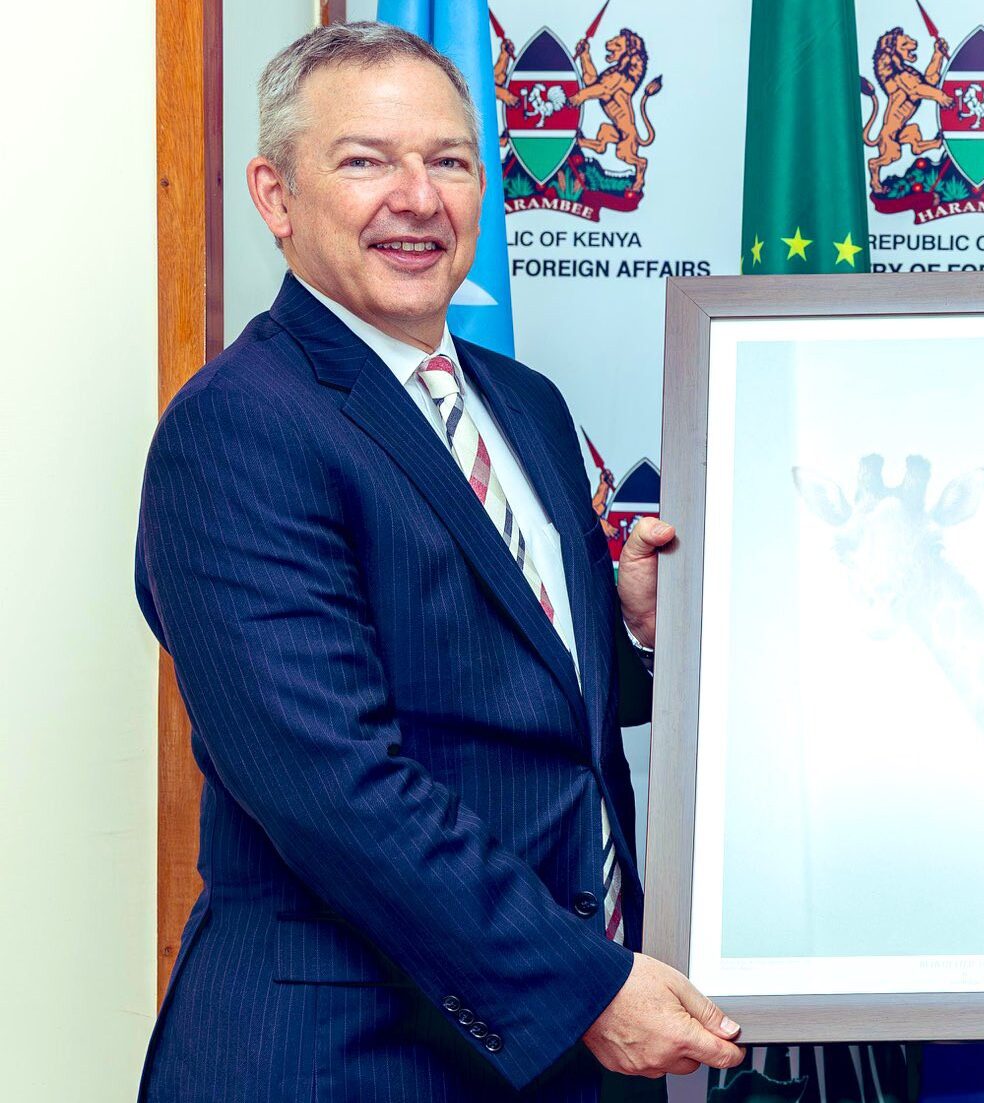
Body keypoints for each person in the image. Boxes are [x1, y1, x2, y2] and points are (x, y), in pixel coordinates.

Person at [135, 24, 740, 1101]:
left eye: (449, 160)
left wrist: (632, 632)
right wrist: (586, 987)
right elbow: (332, 784)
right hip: (352, 1058)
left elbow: (515, 697)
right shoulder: (237, 426)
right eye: (365, 160)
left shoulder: (525, 405)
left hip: (558, 1057)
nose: (417, 199)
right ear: (276, 196)